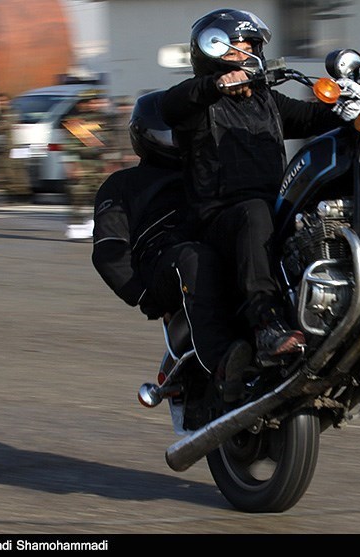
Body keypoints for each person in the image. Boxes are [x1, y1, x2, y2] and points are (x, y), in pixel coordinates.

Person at [160, 8, 341, 361]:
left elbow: (313, 118)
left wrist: (358, 107)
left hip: (272, 211)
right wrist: (215, 85)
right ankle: (267, 327)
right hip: (220, 218)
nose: (245, 54)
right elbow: (172, 105)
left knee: (328, 203)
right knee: (256, 213)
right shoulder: (197, 105)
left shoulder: (267, 101)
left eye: (250, 46)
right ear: (210, 53)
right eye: (235, 48)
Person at [92, 90, 249, 403]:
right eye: (175, 132)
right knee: (195, 258)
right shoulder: (122, 184)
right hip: (165, 263)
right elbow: (109, 249)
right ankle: (223, 366)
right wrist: (145, 297)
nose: (182, 138)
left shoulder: (205, 173)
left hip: (212, 252)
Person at [62, 91, 113, 240]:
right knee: (78, 194)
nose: (93, 104)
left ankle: (95, 224)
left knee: (100, 195)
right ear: (81, 104)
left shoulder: (104, 120)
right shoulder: (74, 121)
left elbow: (109, 143)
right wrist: (72, 165)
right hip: (82, 163)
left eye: (95, 101)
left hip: (99, 164)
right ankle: (75, 224)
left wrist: (109, 163)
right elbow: (69, 146)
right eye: (89, 102)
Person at [0, 92, 31, 202]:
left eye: (2, 101)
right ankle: (12, 193)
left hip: (16, 146)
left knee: (16, 170)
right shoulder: (3, 113)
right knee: (8, 170)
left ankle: (21, 194)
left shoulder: (11, 112)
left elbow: (4, 126)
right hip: (8, 146)